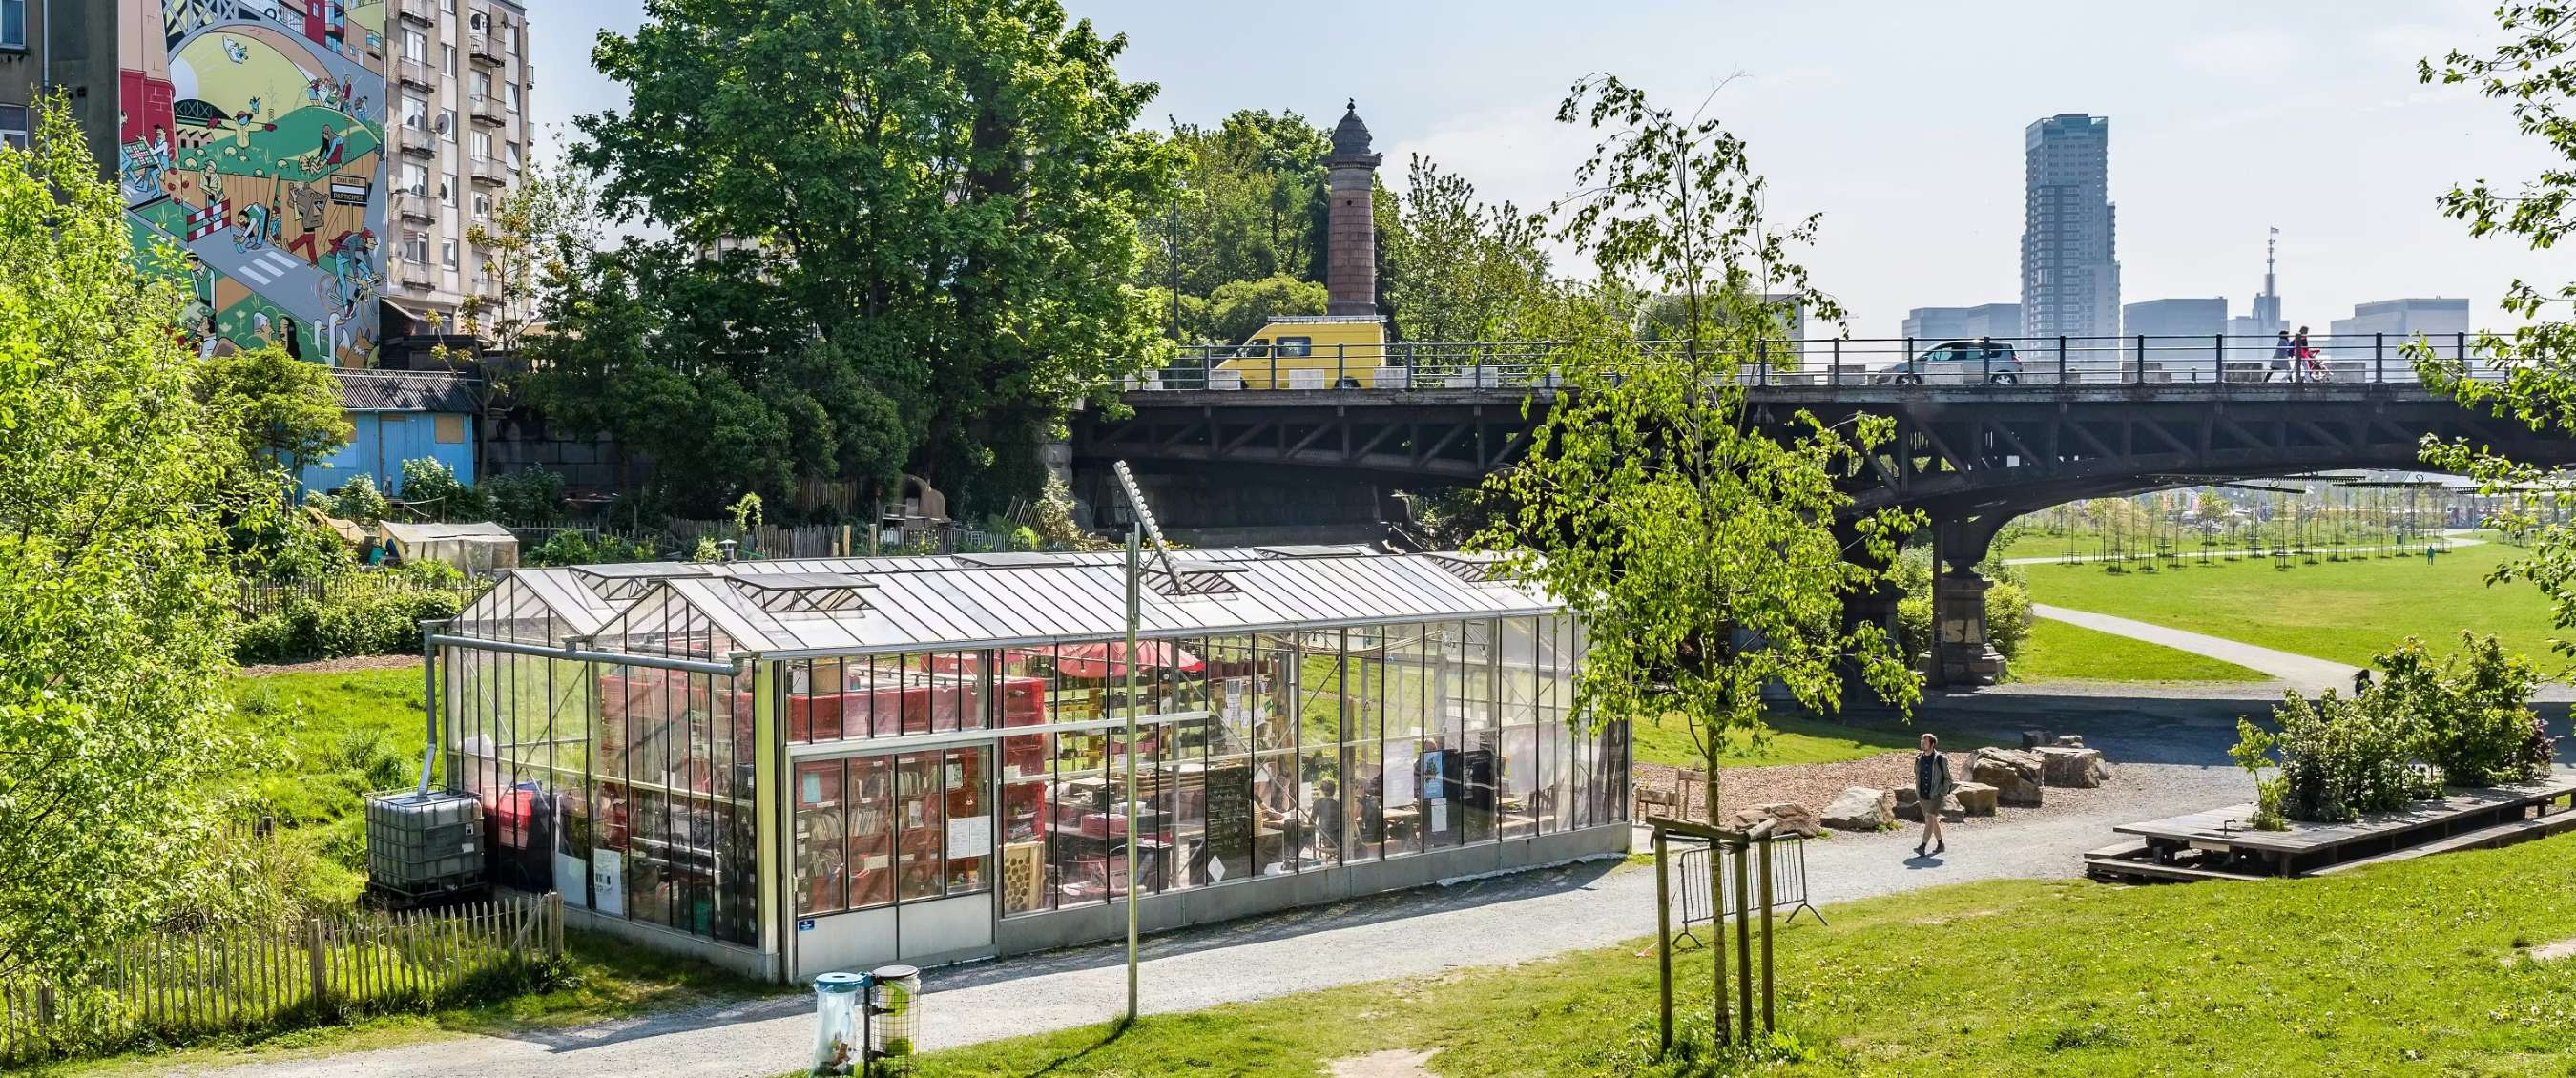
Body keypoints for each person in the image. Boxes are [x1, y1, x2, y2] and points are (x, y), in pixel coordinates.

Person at [1913, 733, 1952, 859]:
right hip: (1923, 795)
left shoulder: (1940, 759)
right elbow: (1916, 774)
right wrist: (1918, 792)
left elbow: (1948, 779)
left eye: (1925, 742)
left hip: (1936, 795)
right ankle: (1940, 844)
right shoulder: (1918, 758)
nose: (1922, 744)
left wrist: (1942, 792)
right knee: (1932, 820)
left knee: (1930, 818)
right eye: (1922, 742)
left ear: (1932, 744)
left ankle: (1922, 847)